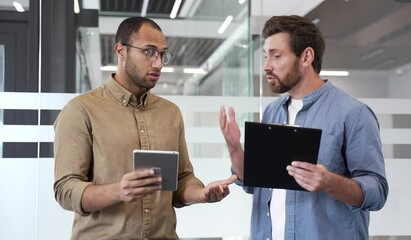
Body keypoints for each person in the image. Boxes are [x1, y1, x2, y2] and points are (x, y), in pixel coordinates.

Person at [53, 16, 237, 240]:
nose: (158, 63)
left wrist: (201, 193)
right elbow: (65, 189)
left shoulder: (170, 113)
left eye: (162, 54)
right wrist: (118, 191)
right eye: (149, 52)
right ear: (121, 50)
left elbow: (182, 179)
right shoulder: (81, 110)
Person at [219, 15, 388, 240]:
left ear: (306, 57)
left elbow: (377, 192)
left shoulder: (354, 114)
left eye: (276, 56)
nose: (266, 66)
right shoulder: (272, 112)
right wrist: (234, 148)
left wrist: (330, 182)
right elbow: (254, 184)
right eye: (265, 56)